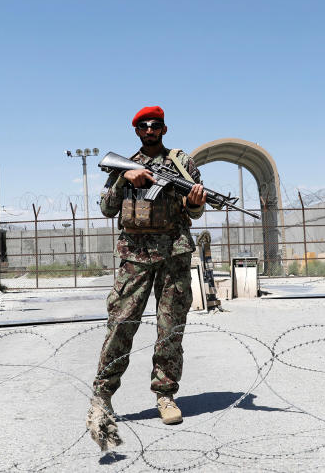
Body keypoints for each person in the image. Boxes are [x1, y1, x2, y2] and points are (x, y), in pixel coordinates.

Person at [87, 105, 206, 450]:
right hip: (135, 257)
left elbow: (195, 209)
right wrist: (126, 180)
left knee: (170, 330)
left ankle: (166, 395)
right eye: (144, 126)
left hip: (174, 254)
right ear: (137, 131)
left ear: (164, 129)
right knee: (122, 324)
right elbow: (108, 208)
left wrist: (196, 200)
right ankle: (102, 396)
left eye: (156, 125)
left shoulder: (182, 164)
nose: (151, 130)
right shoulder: (125, 164)